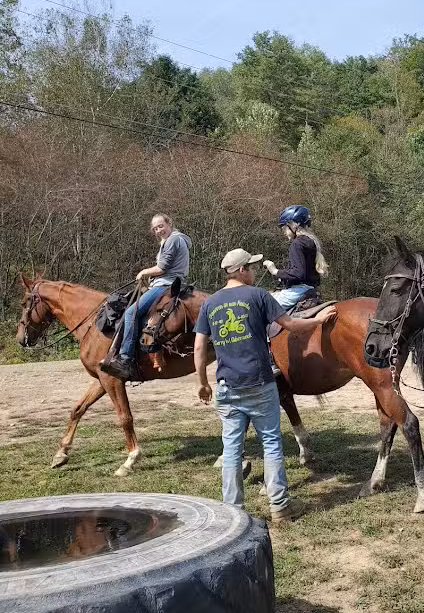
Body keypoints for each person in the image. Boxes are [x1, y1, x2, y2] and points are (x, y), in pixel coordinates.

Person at [193, 248, 336, 522]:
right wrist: (318, 320)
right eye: (253, 267)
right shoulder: (259, 296)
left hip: (227, 386)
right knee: (271, 443)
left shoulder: (210, 304)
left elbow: (200, 346)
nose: (255, 272)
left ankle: (233, 510)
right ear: (242, 270)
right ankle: (280, 506)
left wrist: (202, 383)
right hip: (259, 383)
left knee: (232, 448)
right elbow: (291, 325)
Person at [101, 213, 191, 380]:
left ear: (169, 223)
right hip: (168, 282)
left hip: (166, 284)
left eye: (161, 226)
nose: (158, 230)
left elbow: (163, 267)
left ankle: (126, 358)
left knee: (131, 313)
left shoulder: (173, 240)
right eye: (155, 228)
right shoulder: (177, 239)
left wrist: (144, 272)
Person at [263, 205, 328, 311]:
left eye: (284, 227)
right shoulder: (312, 241)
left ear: (294, 225)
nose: (284, 232)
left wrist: (275, 271)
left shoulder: (297, 243)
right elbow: (304, 271)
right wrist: (285, 276)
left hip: (298, 291)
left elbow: (299, 273)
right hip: (311, 289)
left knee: (261, 304)